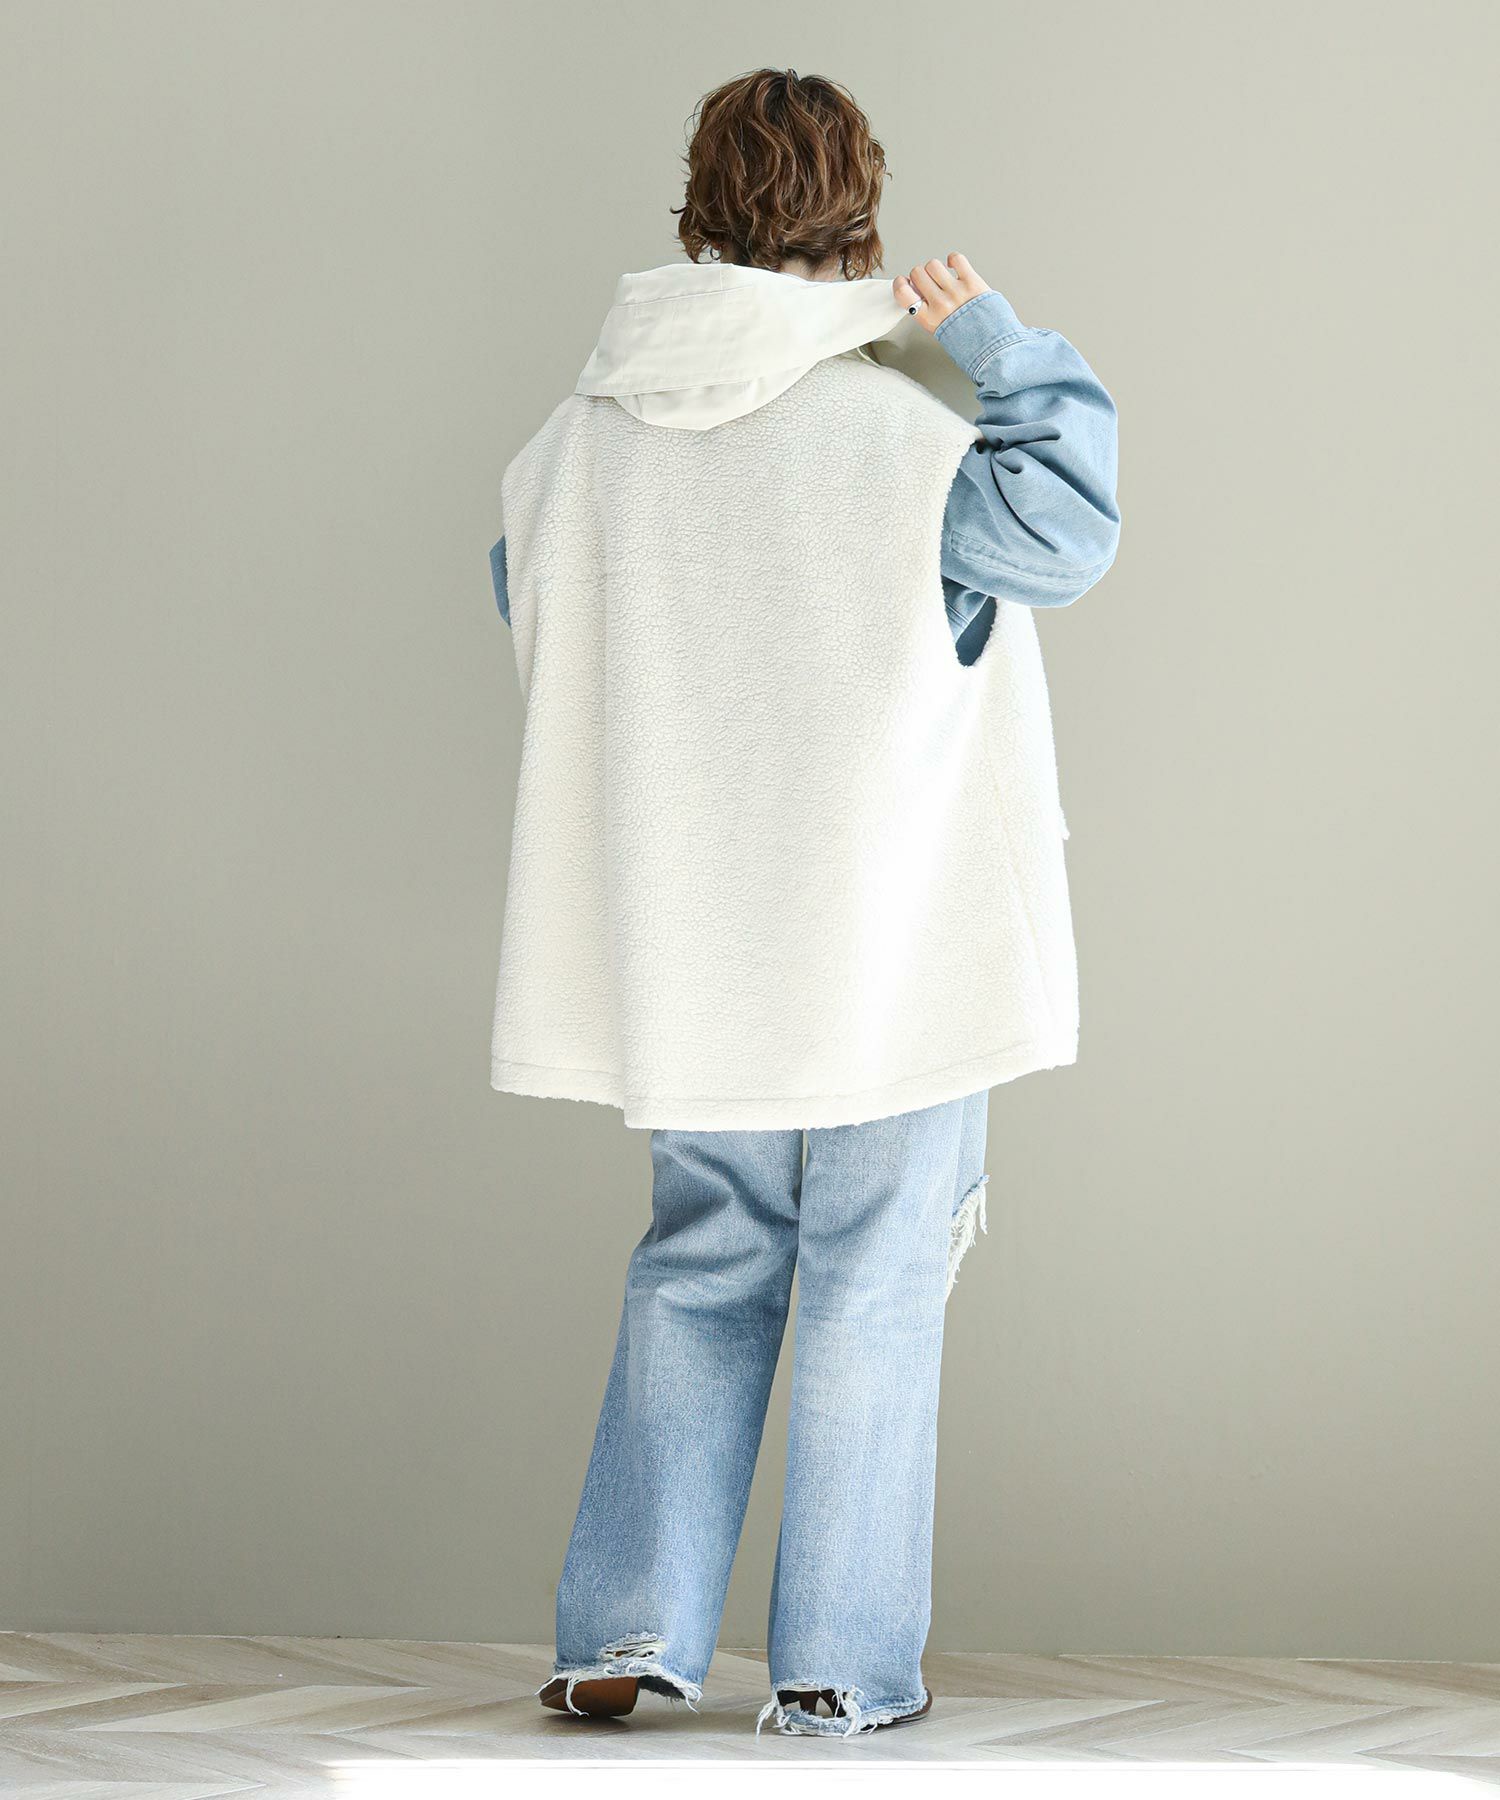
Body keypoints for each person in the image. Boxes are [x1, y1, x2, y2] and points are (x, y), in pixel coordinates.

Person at [487, 67, 1119, 1737]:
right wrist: (993, 342)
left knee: (702, 1263)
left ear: (697, 218)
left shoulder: (578, 442)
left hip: (691, 946)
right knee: (876, 1276)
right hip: (893, 947)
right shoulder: (910, 447)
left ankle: (623, 1631)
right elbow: (1071, 526)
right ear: (863, 225)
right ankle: (838, 1669)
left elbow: (529, 600)